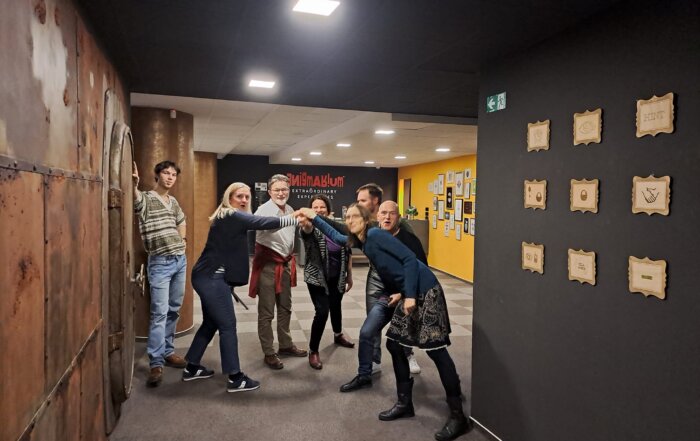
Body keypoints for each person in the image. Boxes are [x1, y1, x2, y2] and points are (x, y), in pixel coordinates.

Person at [296, 203, 471, 441]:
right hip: (406, 292)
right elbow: (337, 236)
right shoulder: (362, 240)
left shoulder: (376, 234)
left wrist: (409, 294)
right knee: (394, 345)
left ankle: (458, 416)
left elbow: (409, 259)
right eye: (348, 217)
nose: (350, 220)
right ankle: (404, 403)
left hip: (425, 291)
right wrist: (314, 217)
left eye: (355, 216)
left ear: (366, 218)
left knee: (436, 351)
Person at [183, 182, 298, 392]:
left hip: (210, 277)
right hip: (211, 278)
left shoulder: (231, 217)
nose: (244, 200)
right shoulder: (230, 214)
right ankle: (235, 378)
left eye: (247, 196)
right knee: (228, 326)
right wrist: (296, 217)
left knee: (210, 323)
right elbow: (262, 222)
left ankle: (191, 367)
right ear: (229, 198)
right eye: (239, 196)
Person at [133, 161, 188, 388]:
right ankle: (156, 362)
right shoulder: (146, 198)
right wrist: (134, 185)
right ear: (157, 175)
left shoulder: (172, 201)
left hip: (179, 261)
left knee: (174, 309)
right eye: (166, 173)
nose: (170, 177)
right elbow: (136, 200)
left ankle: (167, 351)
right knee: (159, 313)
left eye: (174, 174)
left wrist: (183, 241)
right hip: (160, 263)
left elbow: (181, 220)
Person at [249, 174, 307, 370]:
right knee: (267, 312)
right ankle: (269, 352)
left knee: (285, 307)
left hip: (285, 264)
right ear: (269, 192)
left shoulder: (289, 209)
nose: (281, 193)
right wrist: (294, 218)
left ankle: (285, 344)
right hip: (267, 266)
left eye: (284, 189)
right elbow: (271, 227)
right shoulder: (263, 211)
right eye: (277, 190)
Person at [299, 194, 354, 370]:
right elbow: (306, 231)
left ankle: (338, 335)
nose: (318, 210)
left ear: (329, 210)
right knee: (322, 311)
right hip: (317, 278)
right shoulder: (310, 226)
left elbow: (348, 251)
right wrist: (307, 223)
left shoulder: (337, 227)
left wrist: (349, 275)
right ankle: (313, 350)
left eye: (322, 207)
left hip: (337, 276)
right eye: (315, 207)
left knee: (336, 305)